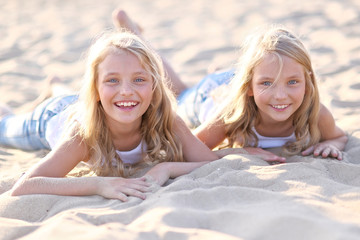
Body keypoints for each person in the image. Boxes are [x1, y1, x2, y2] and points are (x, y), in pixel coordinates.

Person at [0, 30, 219, 201]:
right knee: (5, 126)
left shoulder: (167, 120)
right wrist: (100, 185)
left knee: (70, 96)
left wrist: (167, 167)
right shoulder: (83, 135)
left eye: (139, 79)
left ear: (154, 88)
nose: (126, 90)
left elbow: (209, 163)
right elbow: (25, 186)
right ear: (95, 90)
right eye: (112, 80)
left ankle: (56, 84)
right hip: (50, 117)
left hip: (90, 103)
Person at [110, 10, 347, 163]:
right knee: (180, 92)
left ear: (308, 81)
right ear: (250, 88)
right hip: (209, 95)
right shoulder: (232, 113)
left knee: (182, 87)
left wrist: (330, 144)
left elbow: (339, 137)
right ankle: (135, 35)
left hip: (238, 78)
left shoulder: (316, 113)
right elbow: (190, 150)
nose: (280, 95)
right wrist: (238, 152)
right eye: (267, 84)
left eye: (293, 82)